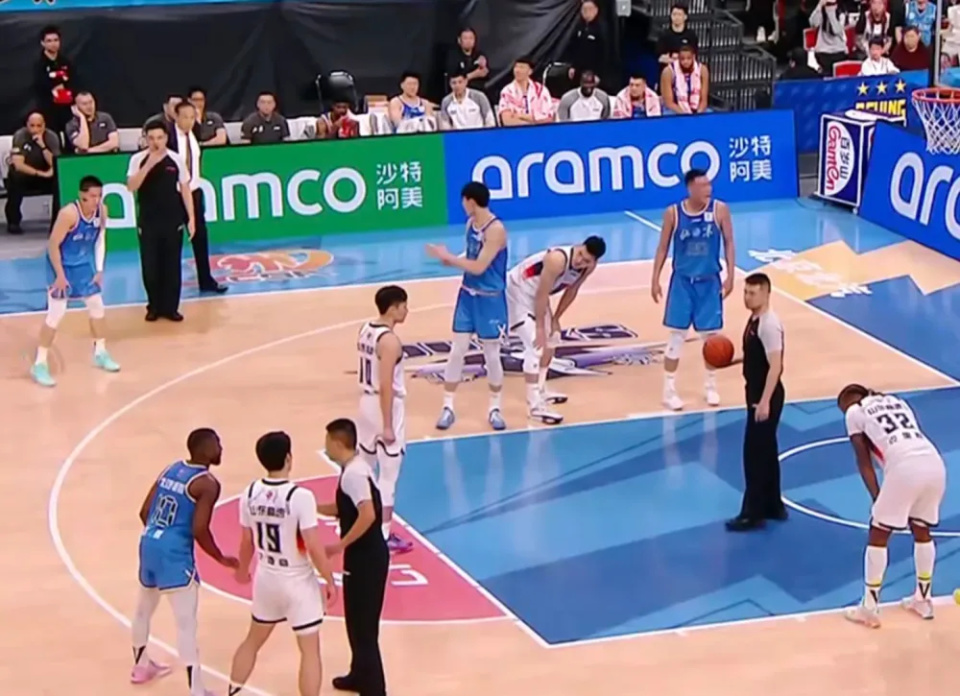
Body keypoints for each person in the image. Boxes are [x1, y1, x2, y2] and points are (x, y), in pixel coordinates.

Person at [228, 431, 338, 696]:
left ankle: (231, 691)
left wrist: (242, 570)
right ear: (289, 458)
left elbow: (247, 542)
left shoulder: (249, 493)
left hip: (266, 577)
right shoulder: (301, 497)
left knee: (252, 641)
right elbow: (313, 545)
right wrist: (329, 579)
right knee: (310, 651)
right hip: (297, 581)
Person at [132, 428, 237, 696]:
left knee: (143, 609)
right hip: (174, 554)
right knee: (186, 623)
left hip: (149, 542)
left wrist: (159, 536)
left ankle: (140, 667)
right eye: (217, 443)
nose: (221, 448)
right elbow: (199, 528)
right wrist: (220, 557)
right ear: (204, 449)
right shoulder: (207, 483)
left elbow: (144, 512)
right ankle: (196, 690)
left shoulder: (170, 469)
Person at [838, 384, 946, 627]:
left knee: (879, 532)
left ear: (848, 401)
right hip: (934, 462)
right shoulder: (898, 402)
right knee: (922, 529)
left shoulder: (854, 412)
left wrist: (877, 496)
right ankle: (923, 599)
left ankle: (869, 607)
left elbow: (864, 461)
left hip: (905, 468)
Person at [425, 181, 508, 431]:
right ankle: (448, 406)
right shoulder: (471, 224)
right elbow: (470, 257)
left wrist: (449, 258)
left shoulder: (496, 230)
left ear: (470, 200)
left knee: (491, 354)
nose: (462, 205)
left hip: (490, 298)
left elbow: (480, 267)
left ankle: (495, 408)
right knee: (457, 350)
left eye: (463, 201)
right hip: (467, 296)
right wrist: (450, 259)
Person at [651, 168, 735, 411]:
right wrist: (655, 278)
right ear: (690, 188)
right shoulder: (673, 213)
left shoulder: (720, 209)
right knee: (676, 338)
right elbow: (662, 247)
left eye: (709, 184)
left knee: (712, 339)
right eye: (703, 185)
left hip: (709, 282)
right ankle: (668, 391)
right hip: (682, 283)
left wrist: (730, 275)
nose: (708, 189)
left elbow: (729, 242)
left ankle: (710, 387)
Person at [318, 419, 390, 696]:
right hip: (365, 556)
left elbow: (367, 514)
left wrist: (340, 545)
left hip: (366, 558)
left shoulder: (353, 475)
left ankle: (374, 689)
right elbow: (345, 506)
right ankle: (359, 674)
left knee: (364, 627)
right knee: (356, 622)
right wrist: (312, 506)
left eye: (327, 441)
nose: (325, 446)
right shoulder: (356, 468)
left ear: (337, 443)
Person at [31, 175, 119, 387]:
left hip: (82, 266)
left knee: (97, 306)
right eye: (92, 196)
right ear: (82, 195)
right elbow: (53, 245)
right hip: (60, 266)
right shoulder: (68, 214)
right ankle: (39, 363)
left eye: (99, 196)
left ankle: (100, 352)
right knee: (56, 313)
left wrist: (99, 269)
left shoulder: (102, 211)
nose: (96, 200)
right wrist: (60, 276)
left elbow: (100, 240)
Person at [506, 237, 606, 424]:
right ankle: (534, 407)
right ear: (579, 246)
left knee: (552, 340)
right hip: (517, 292)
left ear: (593, 262)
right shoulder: (557, 259)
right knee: (535, 345)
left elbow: (571, 291)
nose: (580, 261)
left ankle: (540, 389)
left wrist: (556, 319)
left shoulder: (588, 268)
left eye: (586, 260)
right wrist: (539, 327)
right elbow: (542, 293)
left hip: (537, 296)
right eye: (580, 254)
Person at [725, 273, 786, 532]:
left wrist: (764, 402)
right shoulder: (755, 320)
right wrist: (733, 362)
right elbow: (757, 355)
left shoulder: (769, 325)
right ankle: (773, 506)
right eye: (745, 292)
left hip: (764, 396)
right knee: (767, 451)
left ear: (766, 294)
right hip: (759, 394)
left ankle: (752, 514)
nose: (747, 298)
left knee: (754, 455)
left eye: (752, 293)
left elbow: (776, 366)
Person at [357, 285, 414, 554]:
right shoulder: (390, 341)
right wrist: (388, 424)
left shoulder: (365, 329)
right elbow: (386, 384)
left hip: (365, 405)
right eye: (403, 306)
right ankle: (382, 536)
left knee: (365, 470)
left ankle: (360, 525)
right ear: (392, 308)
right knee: (388, 476)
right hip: (385, 407)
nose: (406, 311)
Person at [126, 120, 196, 322]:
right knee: (150, 266)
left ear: (166, 138)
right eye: (151, 138)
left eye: (159, 138)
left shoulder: (176, 159)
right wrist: (149, 165)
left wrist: (191, 218)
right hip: (148, 221)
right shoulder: (138, 159)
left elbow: (185, 189)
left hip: (172, 219)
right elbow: (131, 186)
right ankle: (154, 306)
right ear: (145, 139)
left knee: (172, 265)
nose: (156, 142)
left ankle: (171, 307)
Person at [167, 100, 227, 294]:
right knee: (173, 241)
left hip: (194, 192)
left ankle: (206, 279)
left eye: (192, 117)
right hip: (174, 195)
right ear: (176, 117)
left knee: (200, 237)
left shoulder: (196, 132)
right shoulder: (168, 136)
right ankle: (170, 285)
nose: (189, 121)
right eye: (185, 117)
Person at [661, 42, 710, 114]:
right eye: (682, 59)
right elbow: (669, 102)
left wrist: (698, 114)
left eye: (688, 58)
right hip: (674, 110)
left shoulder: (702, 70)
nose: (685, 62)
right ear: (678, 58)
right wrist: (685, 116)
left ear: (693, 57)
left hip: (696, 109)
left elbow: (704, 100)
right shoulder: (668, 72)